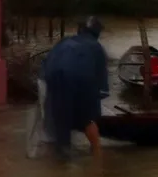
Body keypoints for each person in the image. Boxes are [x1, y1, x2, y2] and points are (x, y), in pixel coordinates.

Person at [42, 16, 109, 162]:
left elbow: (47, 63)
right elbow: (101, 84)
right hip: (80, 77)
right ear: (97, 33)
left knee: (59, 116)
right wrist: (97, 100)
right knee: (88, 118)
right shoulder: (96, 47)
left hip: (53, 75)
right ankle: (97, 154)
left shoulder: (65, 41)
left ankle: (61, 152)